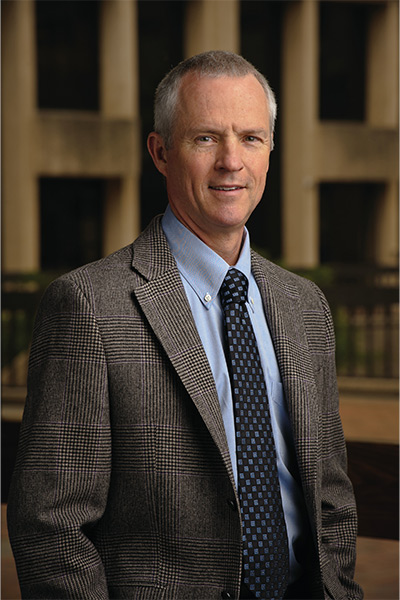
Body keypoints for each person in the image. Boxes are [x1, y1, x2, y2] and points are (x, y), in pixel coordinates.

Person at [8, 50, 363, 600]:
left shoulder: (304, 307)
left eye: (250, 137)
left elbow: (330, 497)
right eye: (204, 138)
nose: (231, 161)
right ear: (160, 152)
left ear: (271, 151)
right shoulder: (87, 306)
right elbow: (51, 531)